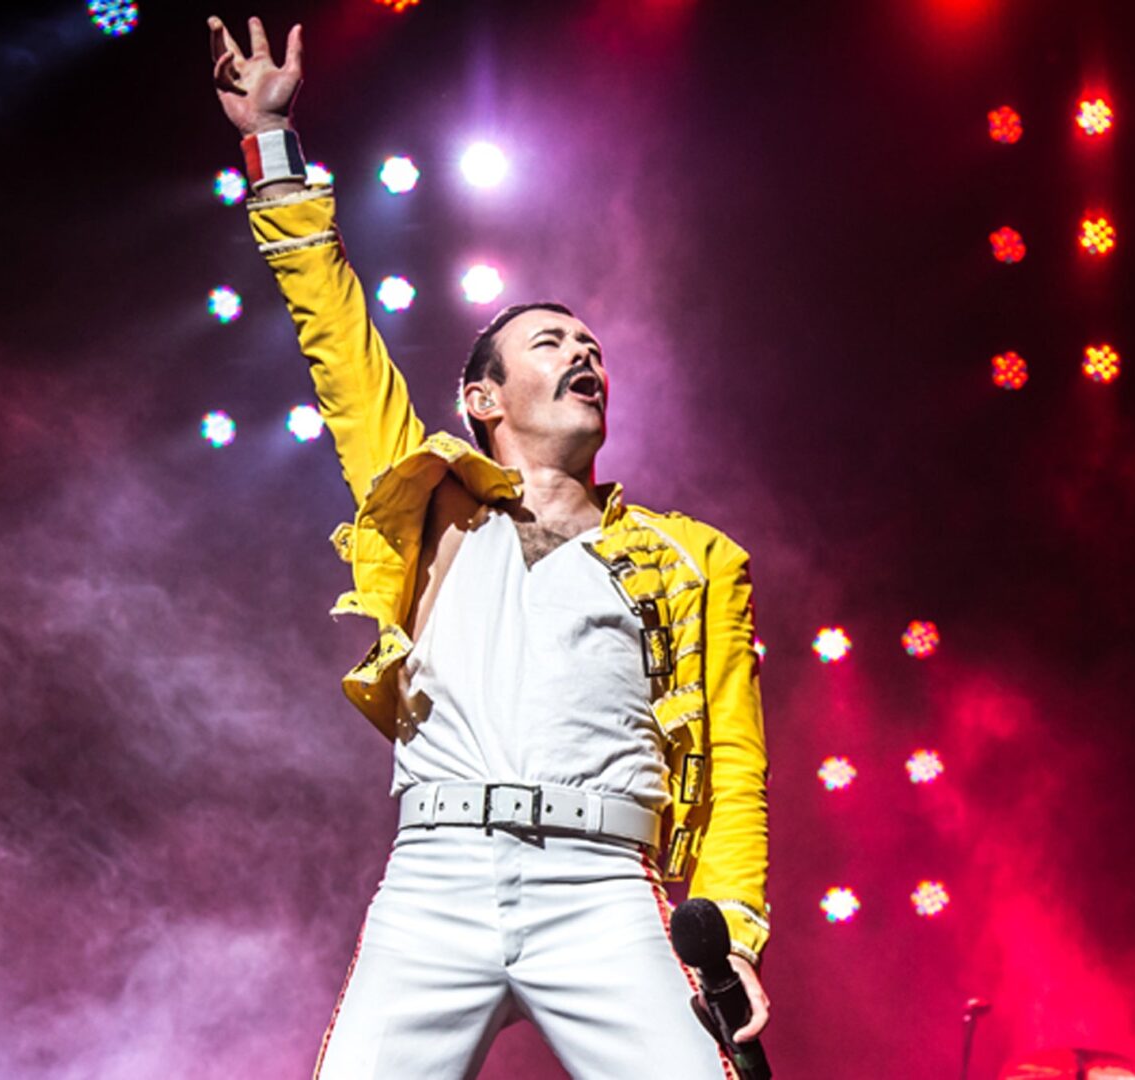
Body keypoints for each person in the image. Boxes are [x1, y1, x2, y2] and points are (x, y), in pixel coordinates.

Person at [206, 15, 772, 1079]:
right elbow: (336, 336)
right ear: (483, 398)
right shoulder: (429, 500)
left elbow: (736, 764)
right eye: (551, 343)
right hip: (438, 878)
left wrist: (731, 933)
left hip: (606, 892)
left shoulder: (697, 560)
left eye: (593, 346)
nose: (584, 354)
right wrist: (272, 143)